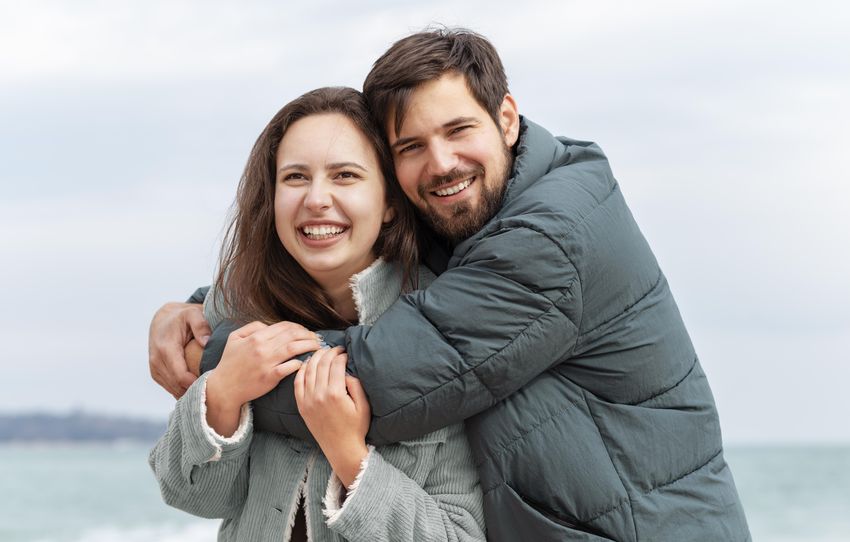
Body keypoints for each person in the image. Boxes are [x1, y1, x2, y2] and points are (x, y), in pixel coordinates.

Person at [149, 29, 751, 541]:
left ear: (507, 119)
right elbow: (193, 493)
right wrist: (199, 311)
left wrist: (218, 365)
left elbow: (387, 378)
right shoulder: (462, 228)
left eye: (459, 129)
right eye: (411, 146)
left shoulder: (549, 236)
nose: (440, 163)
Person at [149, 86, 487, 542]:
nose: (316, 199)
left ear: (389, 201)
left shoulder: (440, 324)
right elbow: (193, 497)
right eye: (295, 178)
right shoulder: (235, 307)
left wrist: (350, 456)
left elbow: (459, 534)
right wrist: (223, 396)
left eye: (345, 175)